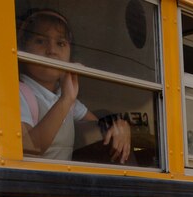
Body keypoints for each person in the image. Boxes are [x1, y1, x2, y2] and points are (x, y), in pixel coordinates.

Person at [17, 8, 131, 163]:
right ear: (22, 49)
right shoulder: (19, 92)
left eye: (60, 43)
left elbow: (96, 129)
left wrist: (119, 127)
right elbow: (29, 147)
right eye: (40, 41)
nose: (52, 50)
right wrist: (66, 100)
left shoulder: (66, 99)